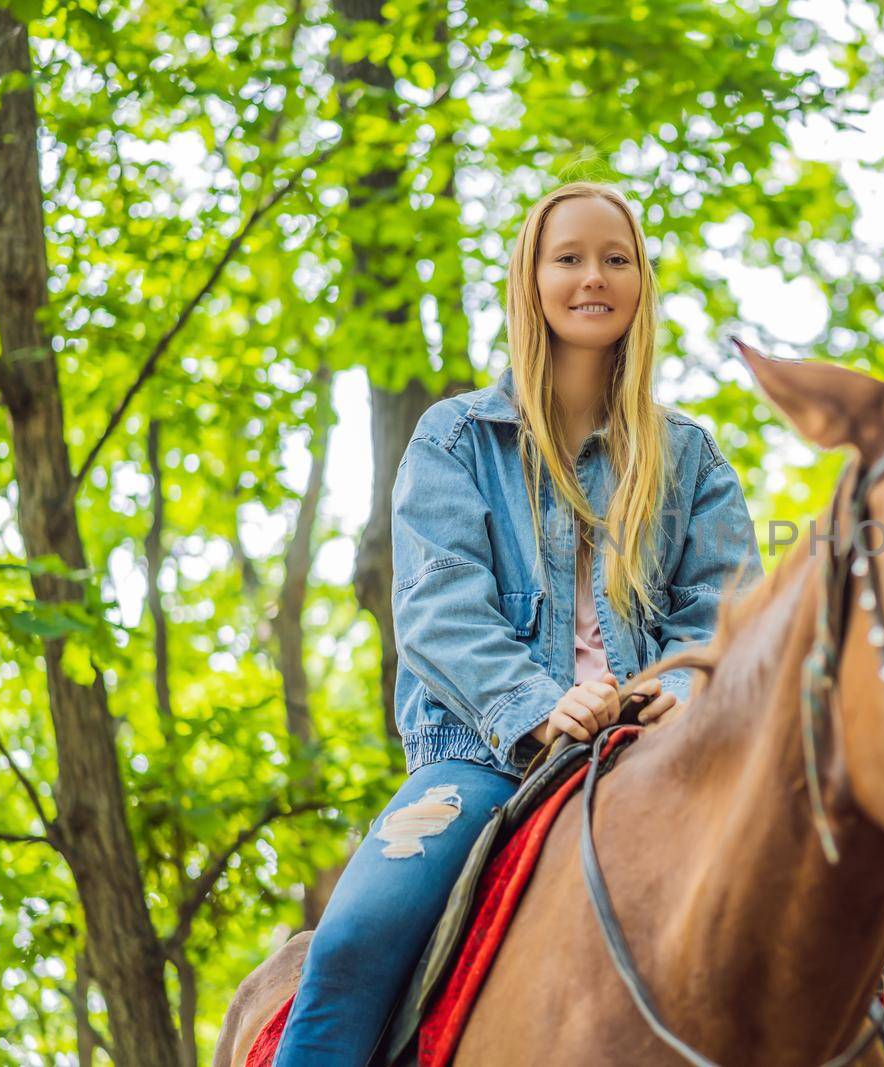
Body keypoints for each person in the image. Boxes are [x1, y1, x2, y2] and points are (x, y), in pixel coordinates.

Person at [274, 180, 762, 1064]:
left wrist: (681, 692)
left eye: (617, 259)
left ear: (641, 282)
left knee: (816, 906)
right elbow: (439, 603)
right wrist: (538, 705)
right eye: (568, 257)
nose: (593, 276)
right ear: (530, 279)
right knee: (352, 942)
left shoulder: (689, 455)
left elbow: (722, 608)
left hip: (657, 749)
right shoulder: (455, 438)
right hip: (484, 754)